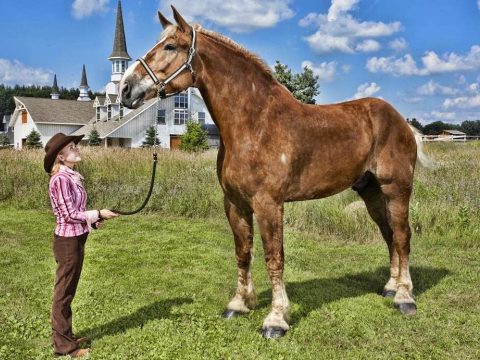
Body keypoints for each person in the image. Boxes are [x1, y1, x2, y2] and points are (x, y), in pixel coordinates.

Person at [44, 133, 118, 358]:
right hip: (67, 243)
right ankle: (64, 346)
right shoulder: (61, 180)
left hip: (76, 238)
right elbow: (68, 215)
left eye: (76, 146)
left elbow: (76, 214)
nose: (77, 149)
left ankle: (66, 335)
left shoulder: (71, 176)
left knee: (69, 291)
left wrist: (93, 222)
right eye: (72, 147)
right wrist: (96, 213)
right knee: (63, 294)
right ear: (60, 156)